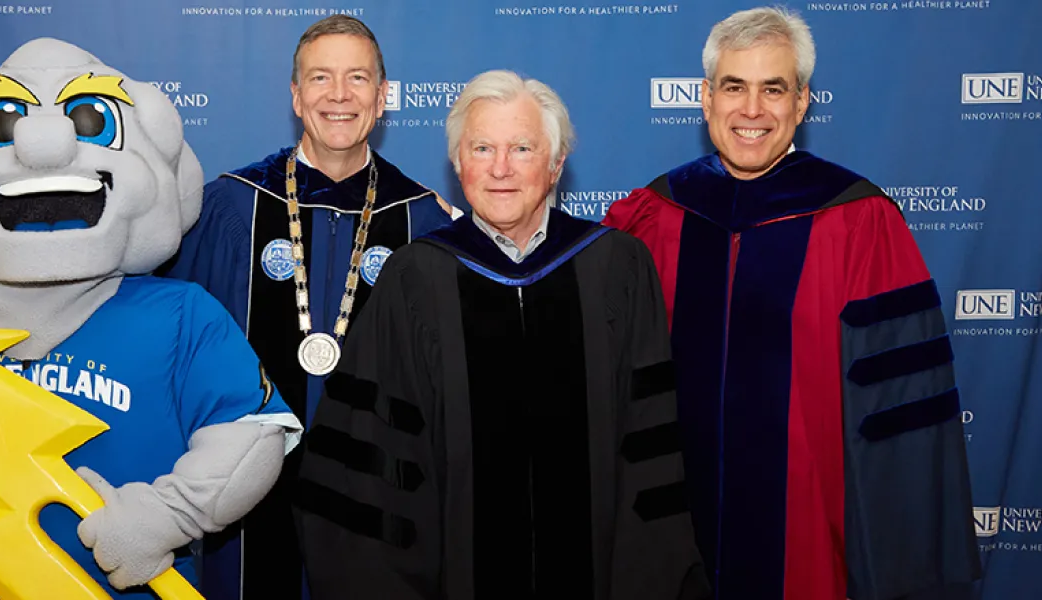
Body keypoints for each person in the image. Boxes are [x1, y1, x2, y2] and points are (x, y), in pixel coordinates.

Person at [0, 38, 301, 599]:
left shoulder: (180, 314)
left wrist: (168, 514)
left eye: (90, 121)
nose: (44, 143)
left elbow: (252, 433)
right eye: (2, 126)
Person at [602, 7, 980, 600]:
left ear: (802, 103)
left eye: (773, 89)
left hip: (808, 540)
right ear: (706, 98)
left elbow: (901, 415)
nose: (751, 110)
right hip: (671, 535)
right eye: (734, 87)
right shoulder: (653, 215)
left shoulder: (858, 221)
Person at [293, 69, 710, 600]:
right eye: (482, 147)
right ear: (457, 162)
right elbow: (370, 473)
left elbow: (649, 457)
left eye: (522, 148)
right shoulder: (415, 279)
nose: (500, 169)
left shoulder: (617, 270)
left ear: (557, 164)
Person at [158, 14, 455, 600]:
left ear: (383, 95)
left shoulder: (422, 221)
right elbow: (135, 294)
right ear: (296, 96)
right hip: (246, 497)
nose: (339, 96)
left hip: (382, 497)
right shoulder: (228, 208)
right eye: (320, 78)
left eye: (358, 78)